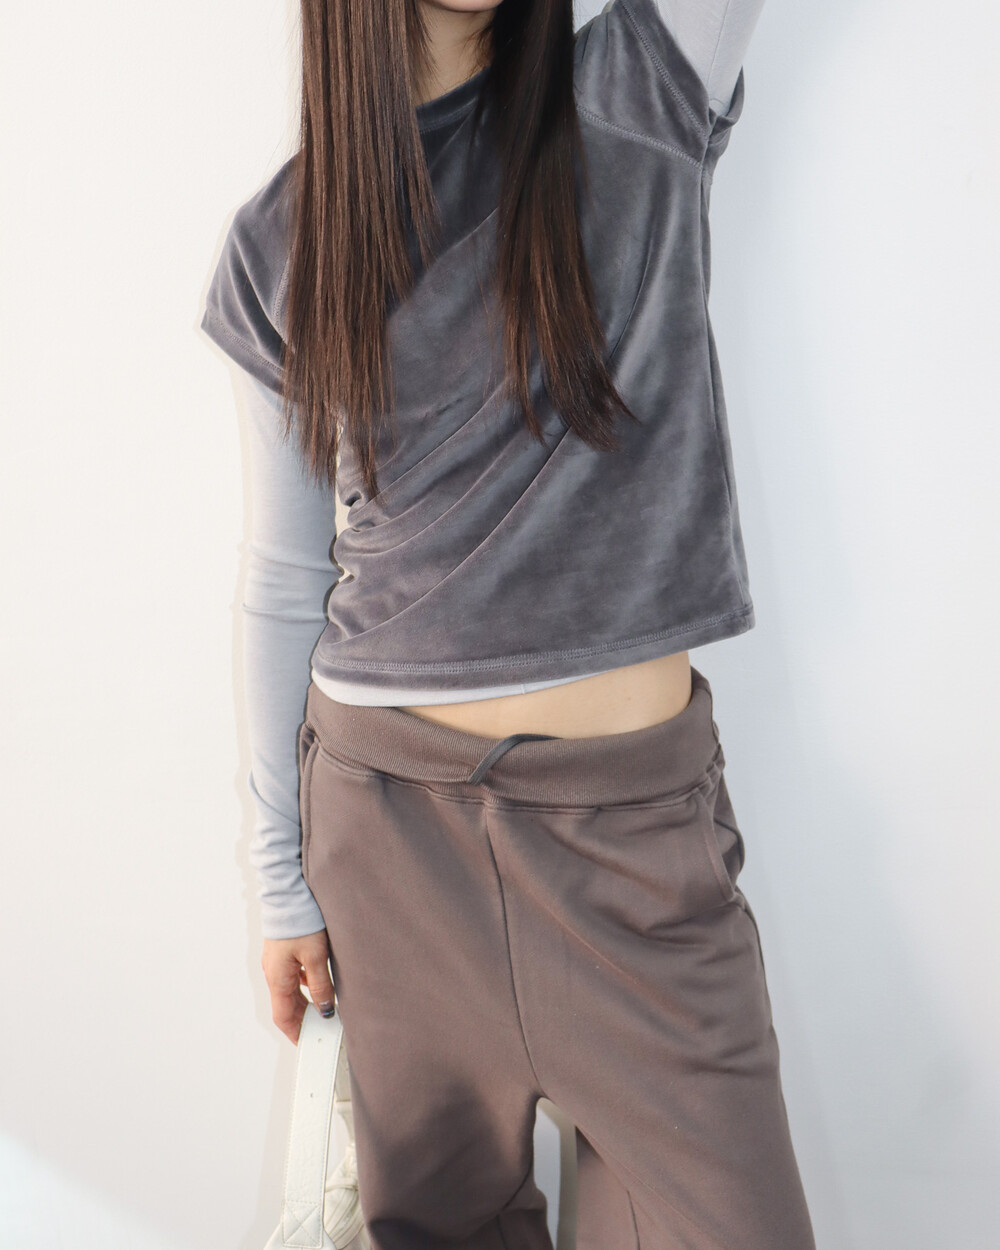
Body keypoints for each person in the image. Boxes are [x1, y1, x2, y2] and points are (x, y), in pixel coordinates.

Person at [201, 1, 817, 1245]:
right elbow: (284, 575)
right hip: (387, 846)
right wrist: (280, 883)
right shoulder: (285, 235)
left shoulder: (640, 84)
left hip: (633, 846)